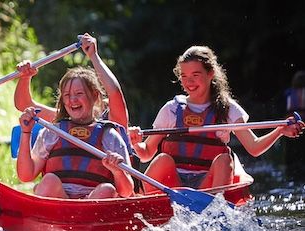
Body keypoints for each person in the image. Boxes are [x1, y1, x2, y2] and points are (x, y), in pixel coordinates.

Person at [129, 46, 304, 193]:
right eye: (184, 76)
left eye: (195, 75)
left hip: (208, 187)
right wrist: (136, 142)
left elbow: (254, 147)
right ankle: (146, 204)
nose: (189, 82)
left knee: (224, 159)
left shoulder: (228, 109)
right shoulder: (172, 109)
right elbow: (146, 154)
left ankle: (214, 210)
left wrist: (280, 130)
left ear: (210, 73)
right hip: (172, 186)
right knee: (163, 159)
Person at [15, 34, 134, 199]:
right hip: (59, 204)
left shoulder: (111, 132)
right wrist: (25, 78)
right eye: (67, 95)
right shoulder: (55, 129)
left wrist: (94, 56)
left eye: (79, 94)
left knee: (107, 189)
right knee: (49, 180)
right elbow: (24, 104)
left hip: (92, 204)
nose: (72, 100)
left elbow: (127, 192)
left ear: (95, 96)